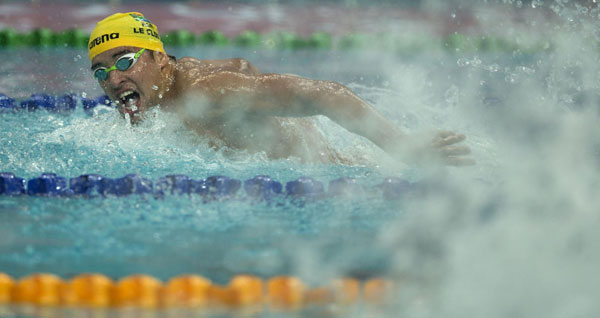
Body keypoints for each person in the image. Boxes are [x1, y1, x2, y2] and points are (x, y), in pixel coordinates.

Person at [88, 12, 474, 166]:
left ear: (159, 58)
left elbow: (326, 94)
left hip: (319, 169)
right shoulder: (144, 106)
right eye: (100, 72)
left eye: (124, 61)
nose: (113, 79)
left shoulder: (207, 91)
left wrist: (404, 147)